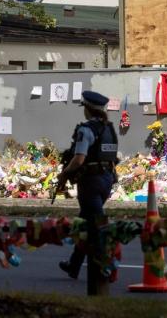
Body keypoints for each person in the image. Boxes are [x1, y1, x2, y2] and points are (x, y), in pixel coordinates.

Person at [57, 90, 118, 285]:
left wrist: (64, 173)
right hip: (107, 180)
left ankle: (106, 267)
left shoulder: (86, 130)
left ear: (88, 109)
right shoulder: (109, 129)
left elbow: (79, 159)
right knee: (86, 222)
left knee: (98, 226)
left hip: (91, 182)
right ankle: (74, 265)